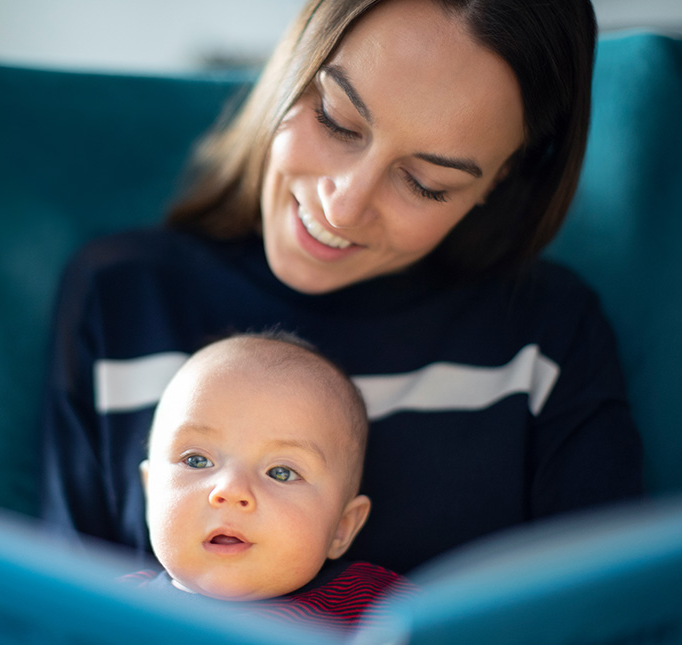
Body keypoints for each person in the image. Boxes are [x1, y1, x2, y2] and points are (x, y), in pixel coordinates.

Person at [40, 0, 644, 575]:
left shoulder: (546, 336)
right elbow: (59, 614)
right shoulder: (121, 298)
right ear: (294, 66)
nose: (344, 206)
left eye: (426, 183)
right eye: (336, 120)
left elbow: (616, 619)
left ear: (499, 181)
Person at [125, 332, 415, 632]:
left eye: (281, 473)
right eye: (196, 460)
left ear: (342, 526)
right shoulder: (109, 607)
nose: (231, 490)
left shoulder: (378, 608)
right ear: (150, 493)